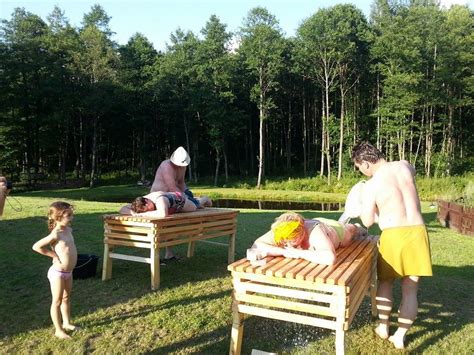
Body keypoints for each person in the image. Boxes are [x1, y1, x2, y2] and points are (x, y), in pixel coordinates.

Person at [351, 142, 432, 349]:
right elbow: (408, 177)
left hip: (394, 235)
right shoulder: (405, 165)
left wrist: (364, 205)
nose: (361, 172)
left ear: (365, 163)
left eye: (359, 167)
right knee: (410, 289)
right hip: (418, 232)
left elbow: (367, 221)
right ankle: (400, 335)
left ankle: (384, 326)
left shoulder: (371, 185)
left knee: (385, 283)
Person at [149, 146, 211, 260]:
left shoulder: (183, 167)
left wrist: (187, 193)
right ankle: (155, 256)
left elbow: (181, 183)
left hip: (173, 198)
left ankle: (169, 253)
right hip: (160, 197)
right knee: (159, 225)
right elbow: (172, 187)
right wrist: (186, 199)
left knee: (171, 225)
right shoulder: (166, 166)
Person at [249, 212, 366, 265]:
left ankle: (358, 227)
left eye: (290, 240)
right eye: (284, 240)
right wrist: (283, 252)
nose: (286, 242)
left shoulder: (314, 232)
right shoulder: (282, 229)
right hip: (315, 222)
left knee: (350, 231)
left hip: (336, 231)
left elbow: (330, 258)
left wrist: (300, 253)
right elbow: (257, 245)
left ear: (301, 233)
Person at [32, 201, 78, 339]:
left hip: (68, 273)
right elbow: (36, 246)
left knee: (66, 298)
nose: (71, 218)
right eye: (68, 215)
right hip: (57, 273)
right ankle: (58, 330)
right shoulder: (55, 234)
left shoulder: (68, 230)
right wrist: (53, 255)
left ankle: (67, 323)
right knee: (57, 301)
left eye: (71, 215)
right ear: (57, 217)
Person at [119, 191, 211, 218]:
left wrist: (141, 215)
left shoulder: (159, 199)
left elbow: (163, 214)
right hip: (175, 203)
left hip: (184, 203)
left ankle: (204, 198)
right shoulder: (140, 201)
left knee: (197, 205)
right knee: (198, 206)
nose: (149, 210)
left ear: (147, 201)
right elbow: (122, 209)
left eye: (147, 208)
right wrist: (132, 213)